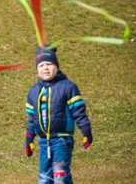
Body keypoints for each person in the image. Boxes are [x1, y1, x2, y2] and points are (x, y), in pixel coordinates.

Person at [25, 45, 93, 184]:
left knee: (60, 175)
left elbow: (78, 112)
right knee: (44, 178)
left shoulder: (68, 87)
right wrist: (29, 139)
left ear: (56, 66)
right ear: (37, 69)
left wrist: (86, 131)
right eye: (41, 65)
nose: (45, 68)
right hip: (44, 141)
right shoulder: (33, 91)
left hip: (62, 140)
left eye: (49, 64)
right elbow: (31, 118)